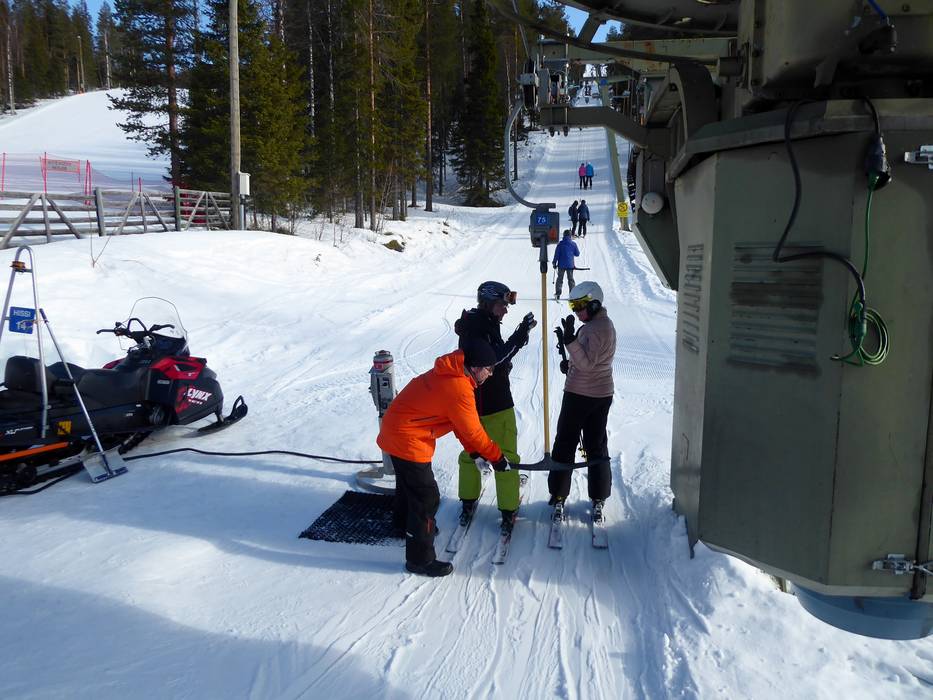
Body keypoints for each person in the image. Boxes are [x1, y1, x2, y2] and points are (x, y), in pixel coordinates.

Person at [377, 338, 514, 577]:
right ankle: (420, 560)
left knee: (408, 486)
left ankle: (403, 526)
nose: (491, 374)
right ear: (475, 367)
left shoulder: (452, 373)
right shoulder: (459, 388)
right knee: (426, 497)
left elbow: (458, 424)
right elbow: (473, 431)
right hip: (407, 438)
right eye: (489, 369)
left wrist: (474, 452)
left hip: (397, 430)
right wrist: (497, 457)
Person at [454, 281, 536, 535]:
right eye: (503, 304)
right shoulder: (480, 326)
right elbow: (494, 358)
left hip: (473, 402)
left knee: (472, 452)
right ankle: (508, 509)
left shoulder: (476, 323)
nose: (506, 310)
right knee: (506, 456)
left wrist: (518, 338)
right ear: (489, 303)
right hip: (496, 402)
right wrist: (520, 336)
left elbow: (494, 357)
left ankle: (468, 500)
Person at [548, 281, 616, 520]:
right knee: (595, 443)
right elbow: (589, 360)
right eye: (573, 306)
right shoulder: (600, 325)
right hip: (600, 393)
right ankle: (598, 495)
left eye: (580, 306)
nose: (576, 312)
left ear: (594, 304)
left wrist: (570, 341)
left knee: (566, 442)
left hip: (580, 395)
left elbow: (587, 364)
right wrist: (569, 363)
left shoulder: (596, 329)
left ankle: (559, 493)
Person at [552, 230, 579, 299]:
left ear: (564, 235)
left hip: (561, 265)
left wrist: (554, 262)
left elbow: (556, 255)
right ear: (570, 236)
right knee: (571, 280)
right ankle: (572, 295)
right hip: (570, 265)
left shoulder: (560, 244)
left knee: (560, 279)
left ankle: (558, 294)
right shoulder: (573, 244)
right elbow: (577, 254)